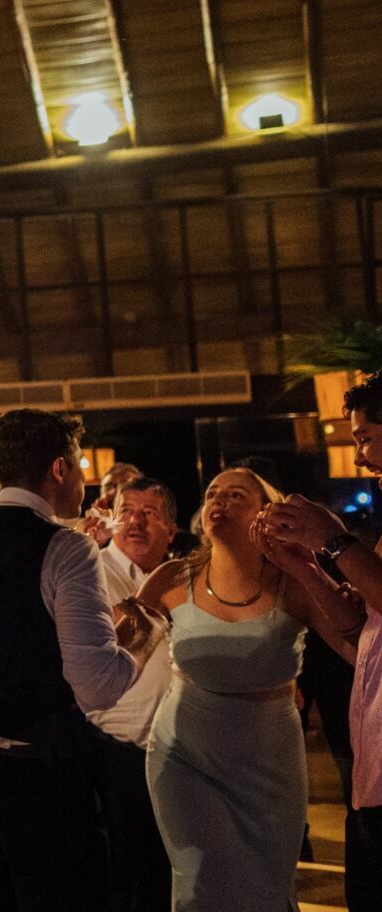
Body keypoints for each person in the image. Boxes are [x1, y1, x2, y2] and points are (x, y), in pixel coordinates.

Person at [0, 409, 150, 911]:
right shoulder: (67, 549)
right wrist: (140, 635)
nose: (84, 477)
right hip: (38, 770)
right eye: (81, 464)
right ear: (59, 470)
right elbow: (97, 685)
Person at [134, 467, 363, 910]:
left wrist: (319, 574)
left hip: (268, 755)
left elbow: (359, 648)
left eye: (236, 495)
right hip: (184, 751)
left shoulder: (294, 583)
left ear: (266, 512)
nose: (219, 501)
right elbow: (118, 655)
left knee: (267, 883)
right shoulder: (170, 579)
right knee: (198, 879)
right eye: (213, 493)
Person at [261, 370, 382, 912]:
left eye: (364, 437)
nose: (359, 457)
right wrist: (307, 567)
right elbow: (362, 633)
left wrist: (331, 537)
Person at [85, 478, 177, 912]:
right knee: (116, 879)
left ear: (171, 529)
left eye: (150, 512)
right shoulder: (90, 571)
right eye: (128, 510)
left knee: (167, 875)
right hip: (113, 753)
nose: (136, 521)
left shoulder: (185, 578)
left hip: (179, 752)